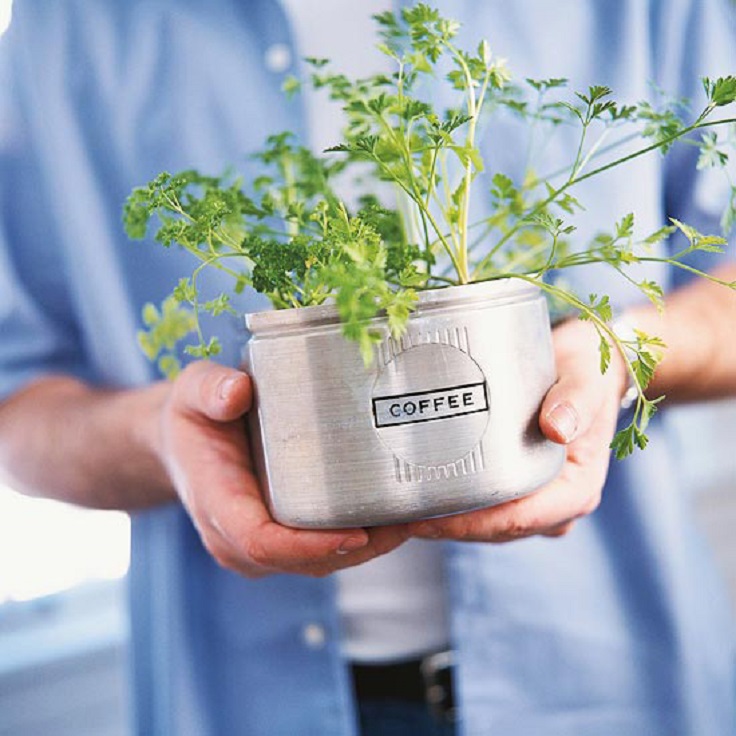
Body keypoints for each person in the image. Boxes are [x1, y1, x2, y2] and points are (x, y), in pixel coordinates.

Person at [1, 1, 735, 734]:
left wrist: (620, 353)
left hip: (612, 682)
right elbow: (18, 406)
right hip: (243, 702)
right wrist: (160, 432)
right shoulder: (66, 25)